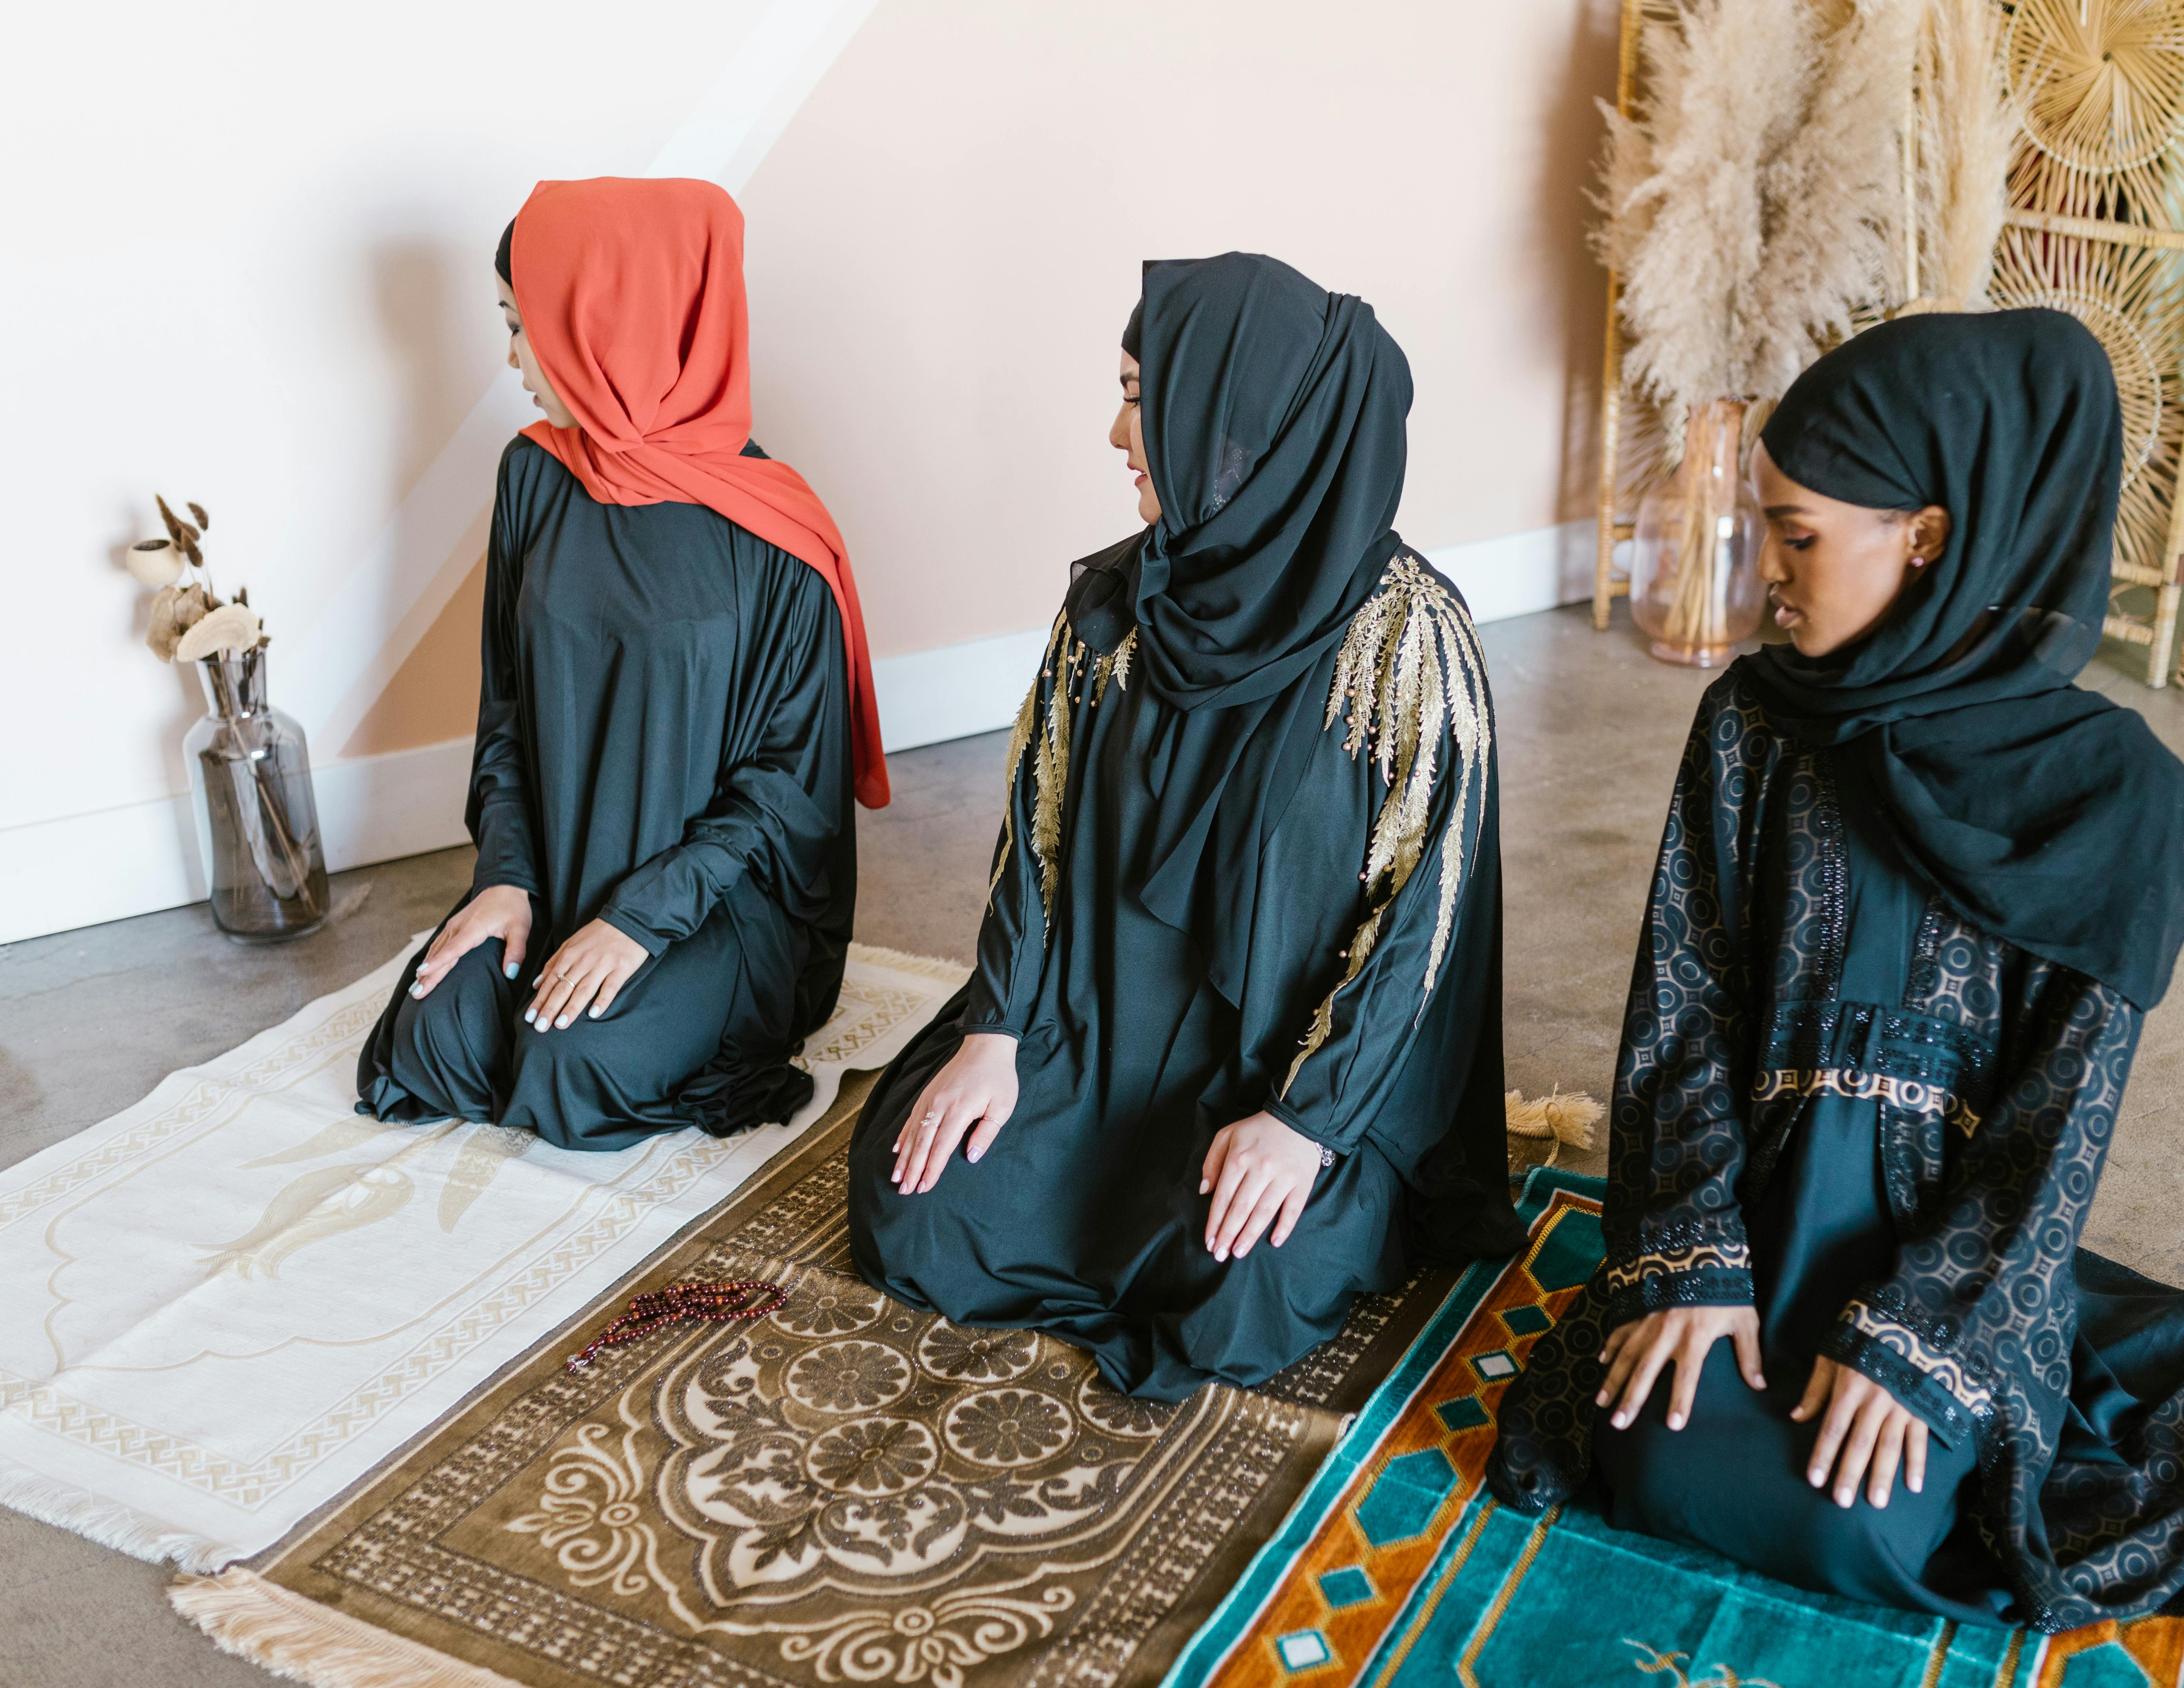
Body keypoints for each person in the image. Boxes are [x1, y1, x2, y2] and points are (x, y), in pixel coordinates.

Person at [1487, 310, 2184, 1630]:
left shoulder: (2104, 800)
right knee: (1655, 1455)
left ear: (1929, 535)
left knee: (1854, 1517)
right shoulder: (1750, 726)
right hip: (1756, 1216)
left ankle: (2019, 1347)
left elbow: (2052, 1126)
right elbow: (1682, 1010)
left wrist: (1925, 1343)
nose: (1761, 570)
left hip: (1956, 1259)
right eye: (1761, 525)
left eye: (1797, 534)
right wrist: (1692, 1260)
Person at [846, 253, 1525, 1400]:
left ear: (1239, 423)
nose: (1118, 438)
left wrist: (1307, 1124)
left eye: (1138, 397)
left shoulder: (1410, 641)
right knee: (919, 1209)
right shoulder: (1113, 607)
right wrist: (997, 1033)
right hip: (1094, 1034)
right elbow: (1038, 830)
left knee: (1235, 1293)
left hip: (1286, 1076)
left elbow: (1427, 924)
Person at [357, 177, 888, 1151]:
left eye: (527, 325)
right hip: (557, 873)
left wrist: (641, 921)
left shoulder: (776, 529)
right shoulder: (534, 476)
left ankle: (677, 989)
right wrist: (508, 879)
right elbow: (508, 714)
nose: (513, 356)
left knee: (573, 1061)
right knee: (432, 1039)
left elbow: (786, 791)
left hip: (718, 904)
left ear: (607, 321)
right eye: (509, 323)